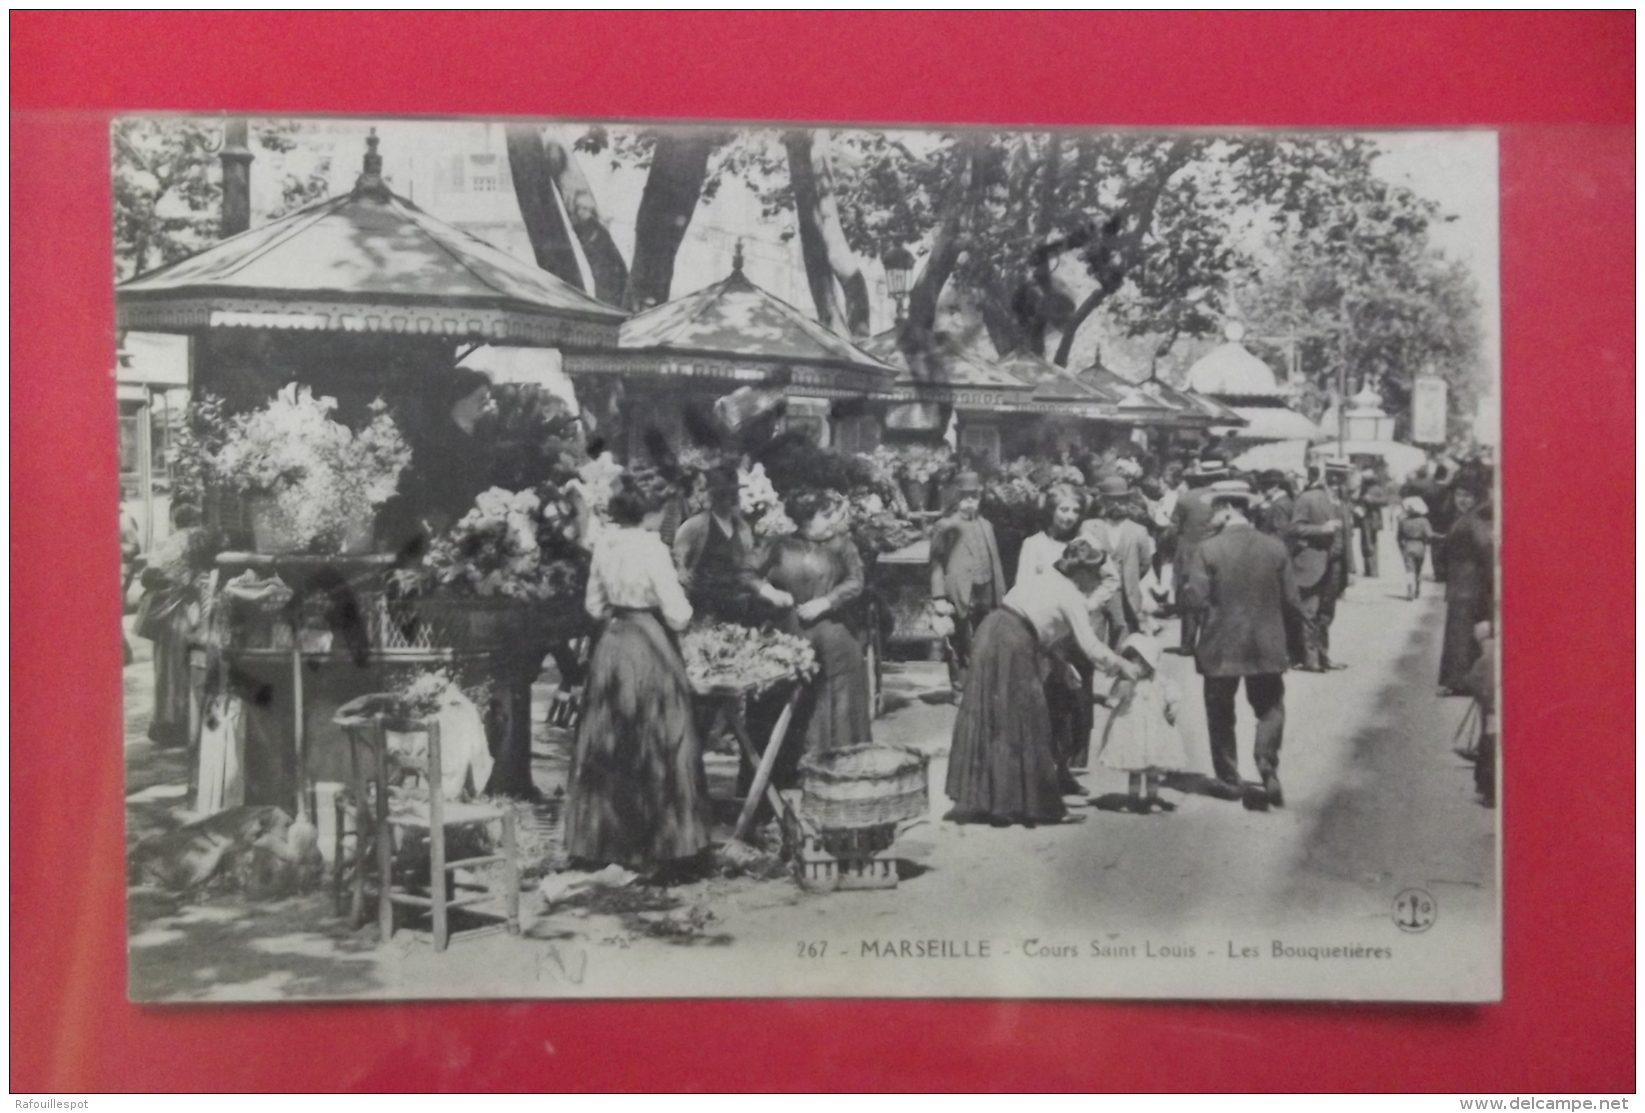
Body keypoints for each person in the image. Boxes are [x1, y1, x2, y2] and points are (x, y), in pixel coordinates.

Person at [564, 470, 712, 875]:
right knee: (661, 733)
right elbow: (679, 615)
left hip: (612, 643)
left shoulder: (604, 544)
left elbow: (593, 607)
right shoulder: (652, 548)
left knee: (610, 737)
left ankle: (605, 842)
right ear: (650, 511)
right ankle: (662, 845)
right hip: (648, 643)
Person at [944, 538, 1137, 827]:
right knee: (1029, 721)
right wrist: (1122, 665)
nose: (1095, 581)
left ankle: (996, 802)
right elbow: (1091, 645)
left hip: (991, 631)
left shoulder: (1045, 578)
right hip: (1013, 643)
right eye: (1094, 574)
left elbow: (1040, 626)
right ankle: (1043, 807)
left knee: (994, 718)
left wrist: (1060, 665)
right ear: (1082, 573)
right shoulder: (1070, 594)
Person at [1184, 481, 1305, 809]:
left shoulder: (1208, 550)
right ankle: (1266, 761)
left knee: (1220, 711)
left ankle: (1228, 778)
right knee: (1270, 706)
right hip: (1266, 644)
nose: (1211, 518)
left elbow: (1196, 599)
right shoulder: (1275, 547)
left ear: (1226, 508)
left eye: (1214, 510)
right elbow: (1292, 603)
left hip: (1220, 646)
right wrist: (1292, 645)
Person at [752, 488, 872, 760]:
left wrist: (827, 602)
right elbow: (746, 573)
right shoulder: (779, 546)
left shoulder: (843, 545)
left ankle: (842, 771)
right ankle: (793, 770)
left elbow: (856, 581)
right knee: (792, 706)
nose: (832, 521)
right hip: (791, 641)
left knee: (839, 704)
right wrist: (767, 591)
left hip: (837, 640)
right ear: (805, 520)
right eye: (825, 516)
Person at [1017, 484, 1115, 779]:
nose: (1069, 516)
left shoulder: (1088, 542)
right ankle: (1047, 760)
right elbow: (1023, 586)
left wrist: (1088, 604)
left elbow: (1111, 579)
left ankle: (1075, 760)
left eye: (1075, 510)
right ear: (1051, 510)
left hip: (1080, 631)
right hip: (1047, 632)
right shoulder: (1034, 544)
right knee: (1048, 692)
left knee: (1080, 693)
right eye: (1063, 509)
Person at [930, 471, 1006, 693]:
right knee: (959, 640)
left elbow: (995, 562)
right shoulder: (945, 526)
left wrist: (1000, 593)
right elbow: (936, 564)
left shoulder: (986, 525)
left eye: (974, 497)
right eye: (964, 497)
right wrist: (939, 597)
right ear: (955, 498)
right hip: (960, 591)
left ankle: (980, 687)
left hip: (986, 590)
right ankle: (959, 687)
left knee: (985, 639)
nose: (970, 502)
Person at [1095, 633, 1187, 814]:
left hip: (1155, 728)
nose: (1137, 668)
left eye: (1142, 663)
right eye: (1133, 662)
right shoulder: (1126, 681)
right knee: (1135, 768)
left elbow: (1173, 693)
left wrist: (1172, 708)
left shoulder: (1159, 680)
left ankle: (1152, 797)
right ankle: (1133, 798)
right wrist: (1114, 697)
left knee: (1153, 769)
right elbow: (1115, 696)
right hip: (1133, 728)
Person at [139, 502, 206, 748]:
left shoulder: (174, 541)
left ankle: (169, 723)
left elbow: (150, 575)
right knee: (185, 666)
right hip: (189, 607)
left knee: (169, 666)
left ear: (175, 521)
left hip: (172, 611)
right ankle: (184, 721)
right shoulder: (198, 539)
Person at [672, 464, 766, 623]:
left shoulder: (742, 527)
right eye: (724, 493)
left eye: (732, 492)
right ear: (714, 495)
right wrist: (682, 571)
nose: (729, 498)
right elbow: (678, 555)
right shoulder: (695, 526)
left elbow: (749, 564)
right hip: (703, 605)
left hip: (736, 602)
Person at [1082, 475, 1156, 648]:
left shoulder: (1138, 531)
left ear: (1129, 501)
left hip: (1124, 594)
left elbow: (1144, 564)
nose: (1116, 505)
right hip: (1095, 590)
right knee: (1091, 636)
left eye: (1121, 500)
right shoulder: (1089, 527)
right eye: (1111, 500)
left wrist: (1129, 577)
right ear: (1102, 501)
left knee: (1123, 636)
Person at [1287, 463, 1348, 671]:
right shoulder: (1308, 498)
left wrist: (1351, 566)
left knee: (1327, 613)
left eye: (1343, 478)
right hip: (1313, 562)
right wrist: (1321, 529)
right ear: (1327, 478)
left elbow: (1347, 535)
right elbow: (1294, 527)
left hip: (1335, 564)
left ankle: (1323, 656)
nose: (1339, 482)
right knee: (1309, 611)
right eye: (1335, 477)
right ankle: (1309, 658)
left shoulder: (1342, 501)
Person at [1438, 485, 1495, 695]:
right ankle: (1459, 681)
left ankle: (1460, 682)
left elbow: (1484, 549)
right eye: (1459, 495)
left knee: (1460, 635)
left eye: (1468, 495)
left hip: (1469, 585)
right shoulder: (1466, 518)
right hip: (1462, 583)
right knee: (1459, 634)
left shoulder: (1473, 520)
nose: (1462, 500)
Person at [1170, 455, 1230, 654]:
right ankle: (1208, 641)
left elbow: (1174, 527)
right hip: (1217, 552)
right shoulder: (1225, 498)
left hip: (1189, 554)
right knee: (1213, 596)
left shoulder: (1186, 497)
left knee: (1189, 598)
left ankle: (1187, 644)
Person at [1395, 494, 1438, 601]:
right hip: (1420, 546)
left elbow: (1399, 538)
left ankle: (1410, 590)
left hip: (1408, 546)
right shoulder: (1424, 521)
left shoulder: (1403, 521)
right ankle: (1417, 589)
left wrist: (1401, 547)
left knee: (1409, 570)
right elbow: (1429, 535)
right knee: (1419, 570)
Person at [1356, 467, 1389, 578]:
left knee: (1371, 544)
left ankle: (1373, 570)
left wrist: (1372, 500)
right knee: (1365, 543)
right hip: (1364, 518)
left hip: (1373, 519)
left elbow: (1385, 501)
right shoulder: (1362, 489)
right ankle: (1368, 569)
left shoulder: (1377, 489)